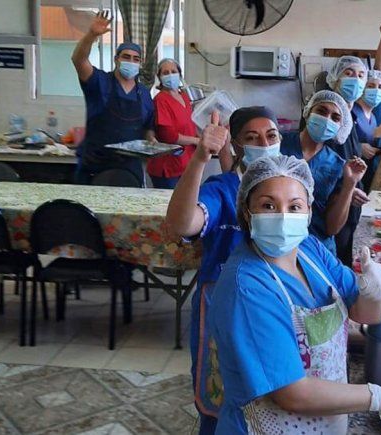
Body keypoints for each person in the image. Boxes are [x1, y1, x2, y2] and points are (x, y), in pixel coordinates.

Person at [208, 155, 381, 434]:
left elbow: (366, 314)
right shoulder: (247, 288)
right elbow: (292, 393)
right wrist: (376, 397)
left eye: (294, 206)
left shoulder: (310, 249)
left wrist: (377, 292)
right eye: (268, 205)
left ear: (308, 211)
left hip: (324, 420)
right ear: (247, 212)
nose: (283, 216)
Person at [163, 106, 281, 435]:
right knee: (220, 396)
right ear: (237, 145)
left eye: (271, 136)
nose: (265, 144)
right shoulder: (224, 189)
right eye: (252, 137)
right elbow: (183, 223)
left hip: (271, 304)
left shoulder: (288, 185)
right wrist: (200, 159)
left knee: (268, 391)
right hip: (223, 307)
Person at [71, 10, 155, 185]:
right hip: (96, 165)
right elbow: (79, 60)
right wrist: (91, 35)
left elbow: (148, 126)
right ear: (116, 59)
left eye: (136, 59)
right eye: (126, 57)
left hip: (130, 169)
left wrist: (151, 141)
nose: (131, 61)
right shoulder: (100, 81)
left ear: (140, 64)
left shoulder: (144, 93)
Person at [280, 90, 366, 254]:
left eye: (335, 118)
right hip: (279, 241)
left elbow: (332, 228)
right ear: (308, 112)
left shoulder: (338, 165)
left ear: (340, 127)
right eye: (321, 111)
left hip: (318, 248)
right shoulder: (279, 144)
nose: (327, 120)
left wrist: (349, 185)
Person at [325, 56, 372, 266]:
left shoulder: (349, 117)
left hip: (349, 205)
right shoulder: (329, 116)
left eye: (361, 75)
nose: (356, 80)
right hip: (332, 205)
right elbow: (321, 166)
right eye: (349, 73)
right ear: (335, 79)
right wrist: (345, 191)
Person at [146, 58, 199, 189]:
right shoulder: (160, 100)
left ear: (180, 74)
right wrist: (196, 141)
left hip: (185, 163)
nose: (170, 75)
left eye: (173, 71)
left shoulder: (184, 97)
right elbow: (169, 136)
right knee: (168, 201)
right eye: (165, 73)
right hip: (167, 166)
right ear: (159, 77)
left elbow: (189, 125)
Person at [355, 69, 381, 192]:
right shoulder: (351, 112)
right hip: (348, 172)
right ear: (362, 88)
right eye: (371, 86)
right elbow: (334, 142)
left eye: (380, 87)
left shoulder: (373, 118)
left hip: (365, 174)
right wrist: (358, 147)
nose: (376, 90)